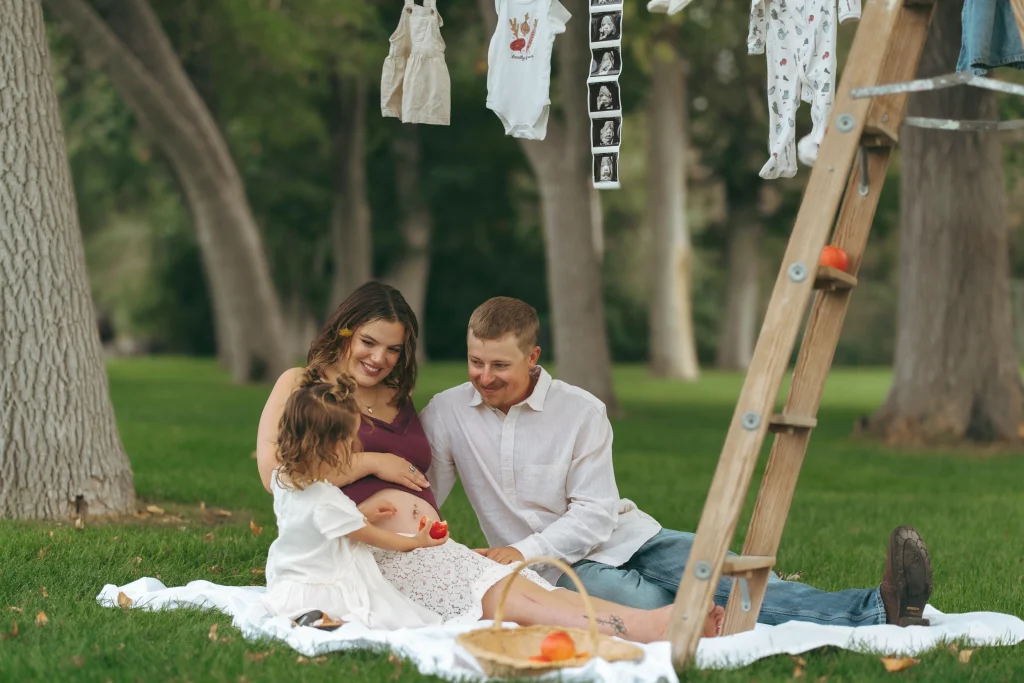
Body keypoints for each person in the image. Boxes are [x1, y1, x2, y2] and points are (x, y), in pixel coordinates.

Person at [420, 296, 935, 628]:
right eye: (475, 362)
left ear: (533, 357)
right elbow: (425, 497)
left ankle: (880, 606)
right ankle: (879, 609)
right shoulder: (447, 411)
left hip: (629, 535)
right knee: (663, 613)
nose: (483, 377)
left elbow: (595, 513)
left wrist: (518, 548)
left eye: (499, 365)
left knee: (725, 577)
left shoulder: (581, 411)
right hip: (559, 571)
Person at [256, 281, 725, 641]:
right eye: (369, 342)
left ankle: (660, 620)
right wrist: (372, 464)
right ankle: (649, 625)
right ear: (345, 331)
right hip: (375, 551)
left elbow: (425, 479)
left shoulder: (399, 395)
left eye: (394, 348)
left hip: (423, 544)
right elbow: (280, 474)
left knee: (520, 591)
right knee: (515, 597)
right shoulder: (302, 386)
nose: (381, 358)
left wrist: (423, 526)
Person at [262, 372, 446, 630]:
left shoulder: (283, 479)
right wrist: (416, 542)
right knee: (393, 616)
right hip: (321, 586)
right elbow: (369, 536)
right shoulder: (326, 498)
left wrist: (360, 513)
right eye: (351, 437)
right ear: (333, 446)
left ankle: (303, 614)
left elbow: (311, 525)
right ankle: (320, 617)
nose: (356, 443)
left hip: (288, 581)